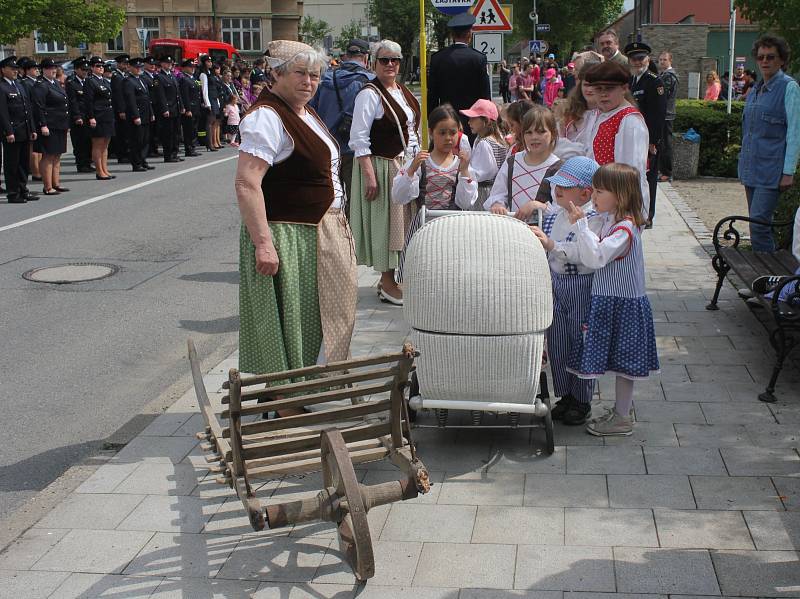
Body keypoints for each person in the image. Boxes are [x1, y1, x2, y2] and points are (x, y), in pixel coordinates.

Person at [235, 40, 357, 413]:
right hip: (289, 232)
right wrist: (263, 243)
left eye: (315, 75)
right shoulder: (267, 117)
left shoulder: (303, 112)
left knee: (317, 318)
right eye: (300, 73)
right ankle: (284, 397)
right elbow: (247, 183)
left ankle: (292, 390)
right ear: (275, 73)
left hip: (318, 228)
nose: (309, 81)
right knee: (294, 319)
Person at [532, 163, 659, 436]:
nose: (595, 197)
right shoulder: (606, 220)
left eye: (600, 191)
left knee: (620, 361)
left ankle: (614, 413)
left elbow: (594, 257)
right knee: (568, 345)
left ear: (620, 195)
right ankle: (576, 400)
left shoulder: (623, 228)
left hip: (622, 303)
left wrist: (580, 226)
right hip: (608, 299)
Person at [349, 39, 421, 306]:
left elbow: (411, 129)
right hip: (381, 165)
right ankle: (388, 280)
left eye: (395, 60)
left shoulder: (401, 90)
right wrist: (369, 175)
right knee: (385, 226)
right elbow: (358, 138)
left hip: (404, 163)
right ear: (373, 62)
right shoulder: (369, 94)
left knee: (400, 226)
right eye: (384, 60)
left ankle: (389, 280)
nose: (390, 64)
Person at [533, 156, 600, 425]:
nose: (557, 189)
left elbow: (584, 254)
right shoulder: (554, 215)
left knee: (580, 342)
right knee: (558, 340)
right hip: (557, 287)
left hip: (581, 289)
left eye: (565, 186)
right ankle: (566, 394)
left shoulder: (592, 220)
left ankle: (582, 400)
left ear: (585, 192)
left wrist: (551, 245)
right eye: (556, 184)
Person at [739, 35, 800, 253]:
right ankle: (764, 276)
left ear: (782, 60)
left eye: (771, 57)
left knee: (759, 224)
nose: (765, 61)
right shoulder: (755, 89)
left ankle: (767, 280)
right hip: (751, 168)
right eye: (761, 57)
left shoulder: (789, 88)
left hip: (772, 170)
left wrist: (788, 171)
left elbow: (794, 133)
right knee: (757, 225)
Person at [308, 38, 374, 210]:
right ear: (365, 58)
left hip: (328, 150)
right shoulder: (370, 81)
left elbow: (310, 112)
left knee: (330, 202)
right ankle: (351, 236)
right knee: (356, 204)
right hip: (357, 153)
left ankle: (331, 235)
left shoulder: (324, 79)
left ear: (345, 56)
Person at [578, 61, 649, 219]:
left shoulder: (629, 121)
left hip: (621, 205)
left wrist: (625, 211)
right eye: (598, 89)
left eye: (609, 89)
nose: (603, 94)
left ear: (624, 88)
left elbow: (631, 172)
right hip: (603, 201)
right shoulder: (599, 114)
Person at [392, 103, 477, 215]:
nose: (448, 138)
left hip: (453, 226)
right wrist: (411, 170)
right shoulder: (420, 162)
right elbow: (399, 197)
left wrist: (465, 172)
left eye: (452, 133)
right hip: (425, 227)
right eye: (442, 133)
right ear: (431, 132)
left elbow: (466, 203)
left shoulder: (462, 165)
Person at [485, 105, 562, 220]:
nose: (534, 137)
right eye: (529, 132)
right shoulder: (512, 162)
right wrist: (498, 204)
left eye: (541, 132)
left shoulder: (558, 168)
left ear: (553, 134)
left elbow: (561, 209)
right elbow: (498, 192)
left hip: (541, 234)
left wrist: (538, 206)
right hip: (514, 229)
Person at [427, 11, 491, 138]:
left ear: (452, 35)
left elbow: (432, 95)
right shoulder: (479, 59)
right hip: (473, 122)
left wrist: (432, 122)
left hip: (445, 121)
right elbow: (485, 96)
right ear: (469, 34)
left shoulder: (437, 58)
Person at [626, 42, 665, 228]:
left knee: (649, 178)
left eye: (641, 58)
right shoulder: (632, 81)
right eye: (634, 59)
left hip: (648, 140)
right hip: (635, 137)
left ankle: (648, 215)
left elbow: (658, 115)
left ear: (648, 59)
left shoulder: (654, 81)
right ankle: (637, 209)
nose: (637, 62)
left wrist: (653, 142)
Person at [0, 56, 38, 203]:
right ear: (3, 70)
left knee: (23, 163)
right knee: (12, 164)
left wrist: (32, 128)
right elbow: (3, 112)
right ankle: (13, 193)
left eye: (16, 69)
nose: (15, 71)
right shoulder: (2, 87)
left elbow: (27, 109)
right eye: (12, 69)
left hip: (24, 129)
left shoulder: (19, 85)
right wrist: (8, 131)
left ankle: (23, 190)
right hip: (13, 132)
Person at [461, 99, 507, 208]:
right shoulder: (499, 138)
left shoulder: (484, 144)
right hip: (496, 190)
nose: (469, 122)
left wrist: (464, 168)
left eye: (473, 118)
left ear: (486, 121)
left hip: (484, 192)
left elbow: (478, 174)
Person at [33, 58, 70, 195]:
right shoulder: (41, 85)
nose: (53, 70)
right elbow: (39, 107)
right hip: (49, 125)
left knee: (57, 155)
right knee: (48, 155)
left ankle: (56, 183)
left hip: (59, 123)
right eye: (49, 68)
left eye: (54, 67)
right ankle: (48, 186)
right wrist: (43, 124)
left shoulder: (54, 83)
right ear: (43, 69)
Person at [84, 56, 115, 180]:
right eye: (98, 66)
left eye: (102, 66)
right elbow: (89, 102)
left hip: (107, 115)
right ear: (92, 68)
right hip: (98, 116)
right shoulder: (90, 81)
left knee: (105, 144)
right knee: (98, 144)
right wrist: (91, 117)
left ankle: (105, 169)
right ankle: (99, 171)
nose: (101, 68)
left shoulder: (104, 81)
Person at [122, 57, 155, 172]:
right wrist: (136, 116)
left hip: (145, 113)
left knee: (145, 139)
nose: (138, 69)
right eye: (136, 67)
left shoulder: (141, 79)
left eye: (140, 67)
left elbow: (147, 98)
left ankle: (143, 160)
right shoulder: (128, 81)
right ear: (130, 68)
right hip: (137, 115)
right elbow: (131, 100)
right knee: (137, 140)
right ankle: (136, 163)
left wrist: (151, 112)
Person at [153, 55, 184, 162]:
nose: (169, 65)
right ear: (161, 64)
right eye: (167, 63)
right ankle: (168, 155)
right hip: (168, 109)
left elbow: (177, 93)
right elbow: (160, 95)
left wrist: (182, 106)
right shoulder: (159, 77)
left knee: (176, 132)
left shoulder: (172, 76)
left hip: (176, 108)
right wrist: (165, 109)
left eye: (170, 64)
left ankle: (174, 153)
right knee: (168, 133)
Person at [16, 57, 42, 184]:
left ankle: (39, 170)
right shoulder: (26, 83)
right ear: (27, 70)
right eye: (34, 68)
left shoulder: (36, 82)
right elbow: (28, 102)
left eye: (37, 68)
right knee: (33, 146)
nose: (37, 71)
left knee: (39, 146)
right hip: (32, 116)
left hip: (39, 115)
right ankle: (36, 171)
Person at [65, 58, 93, 173]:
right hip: (79, 116)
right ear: (76, 70)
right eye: (83, 70)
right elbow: (73, 101)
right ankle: (81, 164)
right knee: (79, 141)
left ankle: (87, 162)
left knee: (88, 141)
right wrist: (77, 116)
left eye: (87, 69)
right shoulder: (71, 82)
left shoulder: (87, 81)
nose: (85, 72)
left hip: (87, 115)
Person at [657, 51, 679, 182]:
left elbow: (662, 96)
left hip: (667, 115)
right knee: (662, 143)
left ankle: (667, 172)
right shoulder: (664, 75)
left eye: (664, 59)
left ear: (670, 60)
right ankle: (663, 170)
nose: (661, 62)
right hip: (664, 114)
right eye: (660, 60)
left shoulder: (669, 76)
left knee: (666, 144)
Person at [178, 59, 201, 157]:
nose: (192, 69)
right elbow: (185, 96)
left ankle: (192, 147)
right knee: (189, 129)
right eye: (190, 67)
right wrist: (187, 109)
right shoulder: (184, 79)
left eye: (193, 67)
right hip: (190, 108)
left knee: (194, 129)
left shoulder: (193, 79)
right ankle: (189, 148)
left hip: (196, 107)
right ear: (184, 68)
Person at [110, 54, 129, 164]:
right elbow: (118, 95)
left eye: (127, 63)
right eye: (123, 64)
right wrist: (121, 110)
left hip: (126, 107)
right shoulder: (117, 76)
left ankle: (126, 152)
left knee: (126, 132)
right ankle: (122, 155)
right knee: (121, 133)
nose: (125, 65)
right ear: (118, 64)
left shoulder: (124, 75)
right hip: (120, 109)